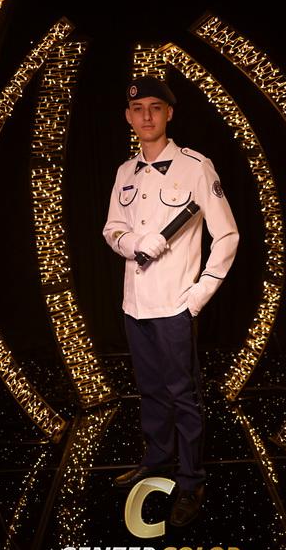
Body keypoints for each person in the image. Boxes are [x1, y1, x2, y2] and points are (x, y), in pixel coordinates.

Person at [102, 75, 239, 526]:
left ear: (169, 114)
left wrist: (198, 295)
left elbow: (227, 235)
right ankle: (157, 460)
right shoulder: (124, 172)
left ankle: (191, 479)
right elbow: (112, 229)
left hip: (175, 305)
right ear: (128, 117)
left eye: (155, 108)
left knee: (183, 395)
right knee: (151, 391)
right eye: (138, 109)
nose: (147, 116)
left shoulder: (196, 166)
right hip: (135, 304)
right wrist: (134, 243)